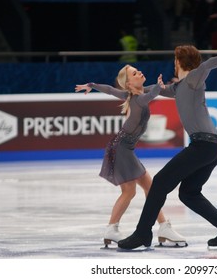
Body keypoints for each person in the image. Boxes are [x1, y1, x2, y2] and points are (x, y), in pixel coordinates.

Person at [118, 46, 217, 250]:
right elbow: (155, 90)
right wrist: (133, 90)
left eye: (175, 60)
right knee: (189, 193)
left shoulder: (194, 78)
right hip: (211, 146)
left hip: (204, 145)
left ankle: (142, 234)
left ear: (179, 62)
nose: (173, 64)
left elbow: (206, 67)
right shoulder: (179, 87)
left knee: (159, 182)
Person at [75, 65, 186, 248]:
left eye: (138, 70)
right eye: (134, 73)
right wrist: (159, 87)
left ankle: (164, 227)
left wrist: (92, 84)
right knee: (129, 192)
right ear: (128, 83)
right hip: (121, 150)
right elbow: (149, 96)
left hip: (125, 149)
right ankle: (112, 229)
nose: (140, 72)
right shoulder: (137, 98)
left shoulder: (133, 94)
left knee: (151, 189)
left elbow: (110, 90)